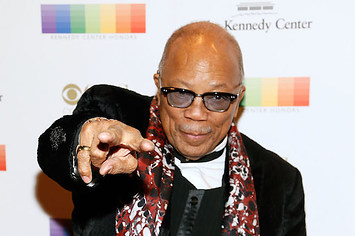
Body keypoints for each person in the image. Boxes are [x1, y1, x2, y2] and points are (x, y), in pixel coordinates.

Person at [37, 21, 306, 236]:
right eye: (180, 93)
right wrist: (86, 142)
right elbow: (54, 149)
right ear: (159, 83)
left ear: (239, 97)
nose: (196, 113)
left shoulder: (279, 182)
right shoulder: (117, 114)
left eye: (217, 97)